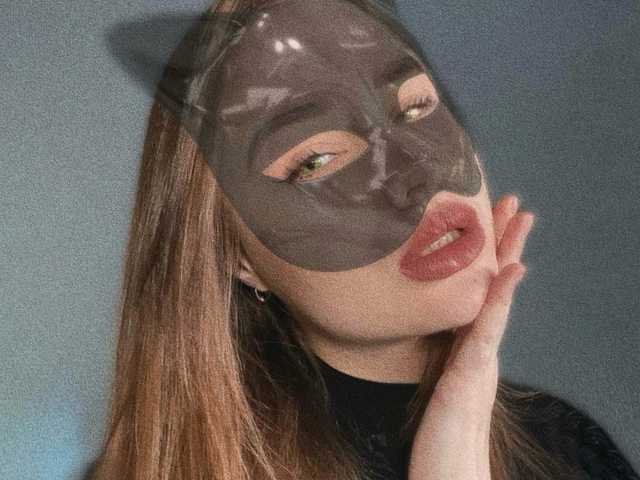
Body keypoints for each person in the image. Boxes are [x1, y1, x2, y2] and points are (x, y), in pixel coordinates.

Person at [88, 0, 639, 479]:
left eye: (418, 106)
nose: (418, 170)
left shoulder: (569, 451)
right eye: (318, 159)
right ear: (237, 258)